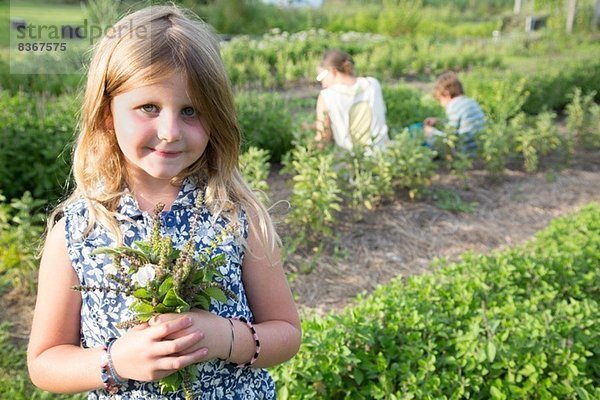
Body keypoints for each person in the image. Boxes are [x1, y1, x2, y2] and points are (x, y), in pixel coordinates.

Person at [27, 6, 301, 399]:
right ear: (107, 114)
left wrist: (226, 337)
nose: (170, 132)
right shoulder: (79, 229)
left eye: (191, 111)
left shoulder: (236, 214)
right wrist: (116, 361)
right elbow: (44, 362)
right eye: (148, 108)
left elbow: (286, 333)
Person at [314, 49, 389, 152]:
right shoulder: (373, 84)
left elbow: (323, 137)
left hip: (351, 161)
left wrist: (310, 156)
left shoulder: (327, 96)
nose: (322, 83)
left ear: (333, 71)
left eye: (321, 76)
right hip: (382, 156)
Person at [423, 71, 486, 153]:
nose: (441, 104)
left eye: (440, 100)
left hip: (464, 149)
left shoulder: (453, 106)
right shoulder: (470, 101)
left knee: (430, 135)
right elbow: (458, 125)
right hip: (478, 146)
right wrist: (439, 122)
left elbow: (451, 135)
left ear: (446, 94)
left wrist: (431, 132)